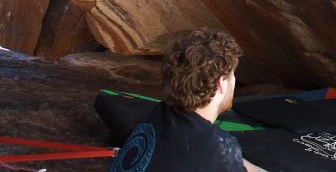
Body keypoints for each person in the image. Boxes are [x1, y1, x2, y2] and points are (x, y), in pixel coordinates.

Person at [108, 29, 266, 172]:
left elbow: (226, 160)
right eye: (232, 74)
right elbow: (219, 155)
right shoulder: (217, 146)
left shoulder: (162, 113)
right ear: (221, 83)